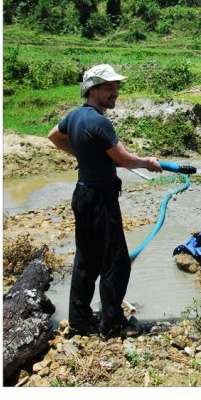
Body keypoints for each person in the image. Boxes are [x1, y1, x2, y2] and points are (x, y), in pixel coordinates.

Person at [48, 64, 162, 338]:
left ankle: (78, 320)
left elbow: (54, 136)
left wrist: (86, 156)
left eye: (117, 87)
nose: (115, 93)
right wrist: (147, 162)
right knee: (116, 261)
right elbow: (124, 159)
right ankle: (111, 325)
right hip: (100, 197)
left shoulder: (74, 116)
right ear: (93, 89)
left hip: (83, 194)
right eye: (109, 87)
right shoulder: (99, 121)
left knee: (86, 259)